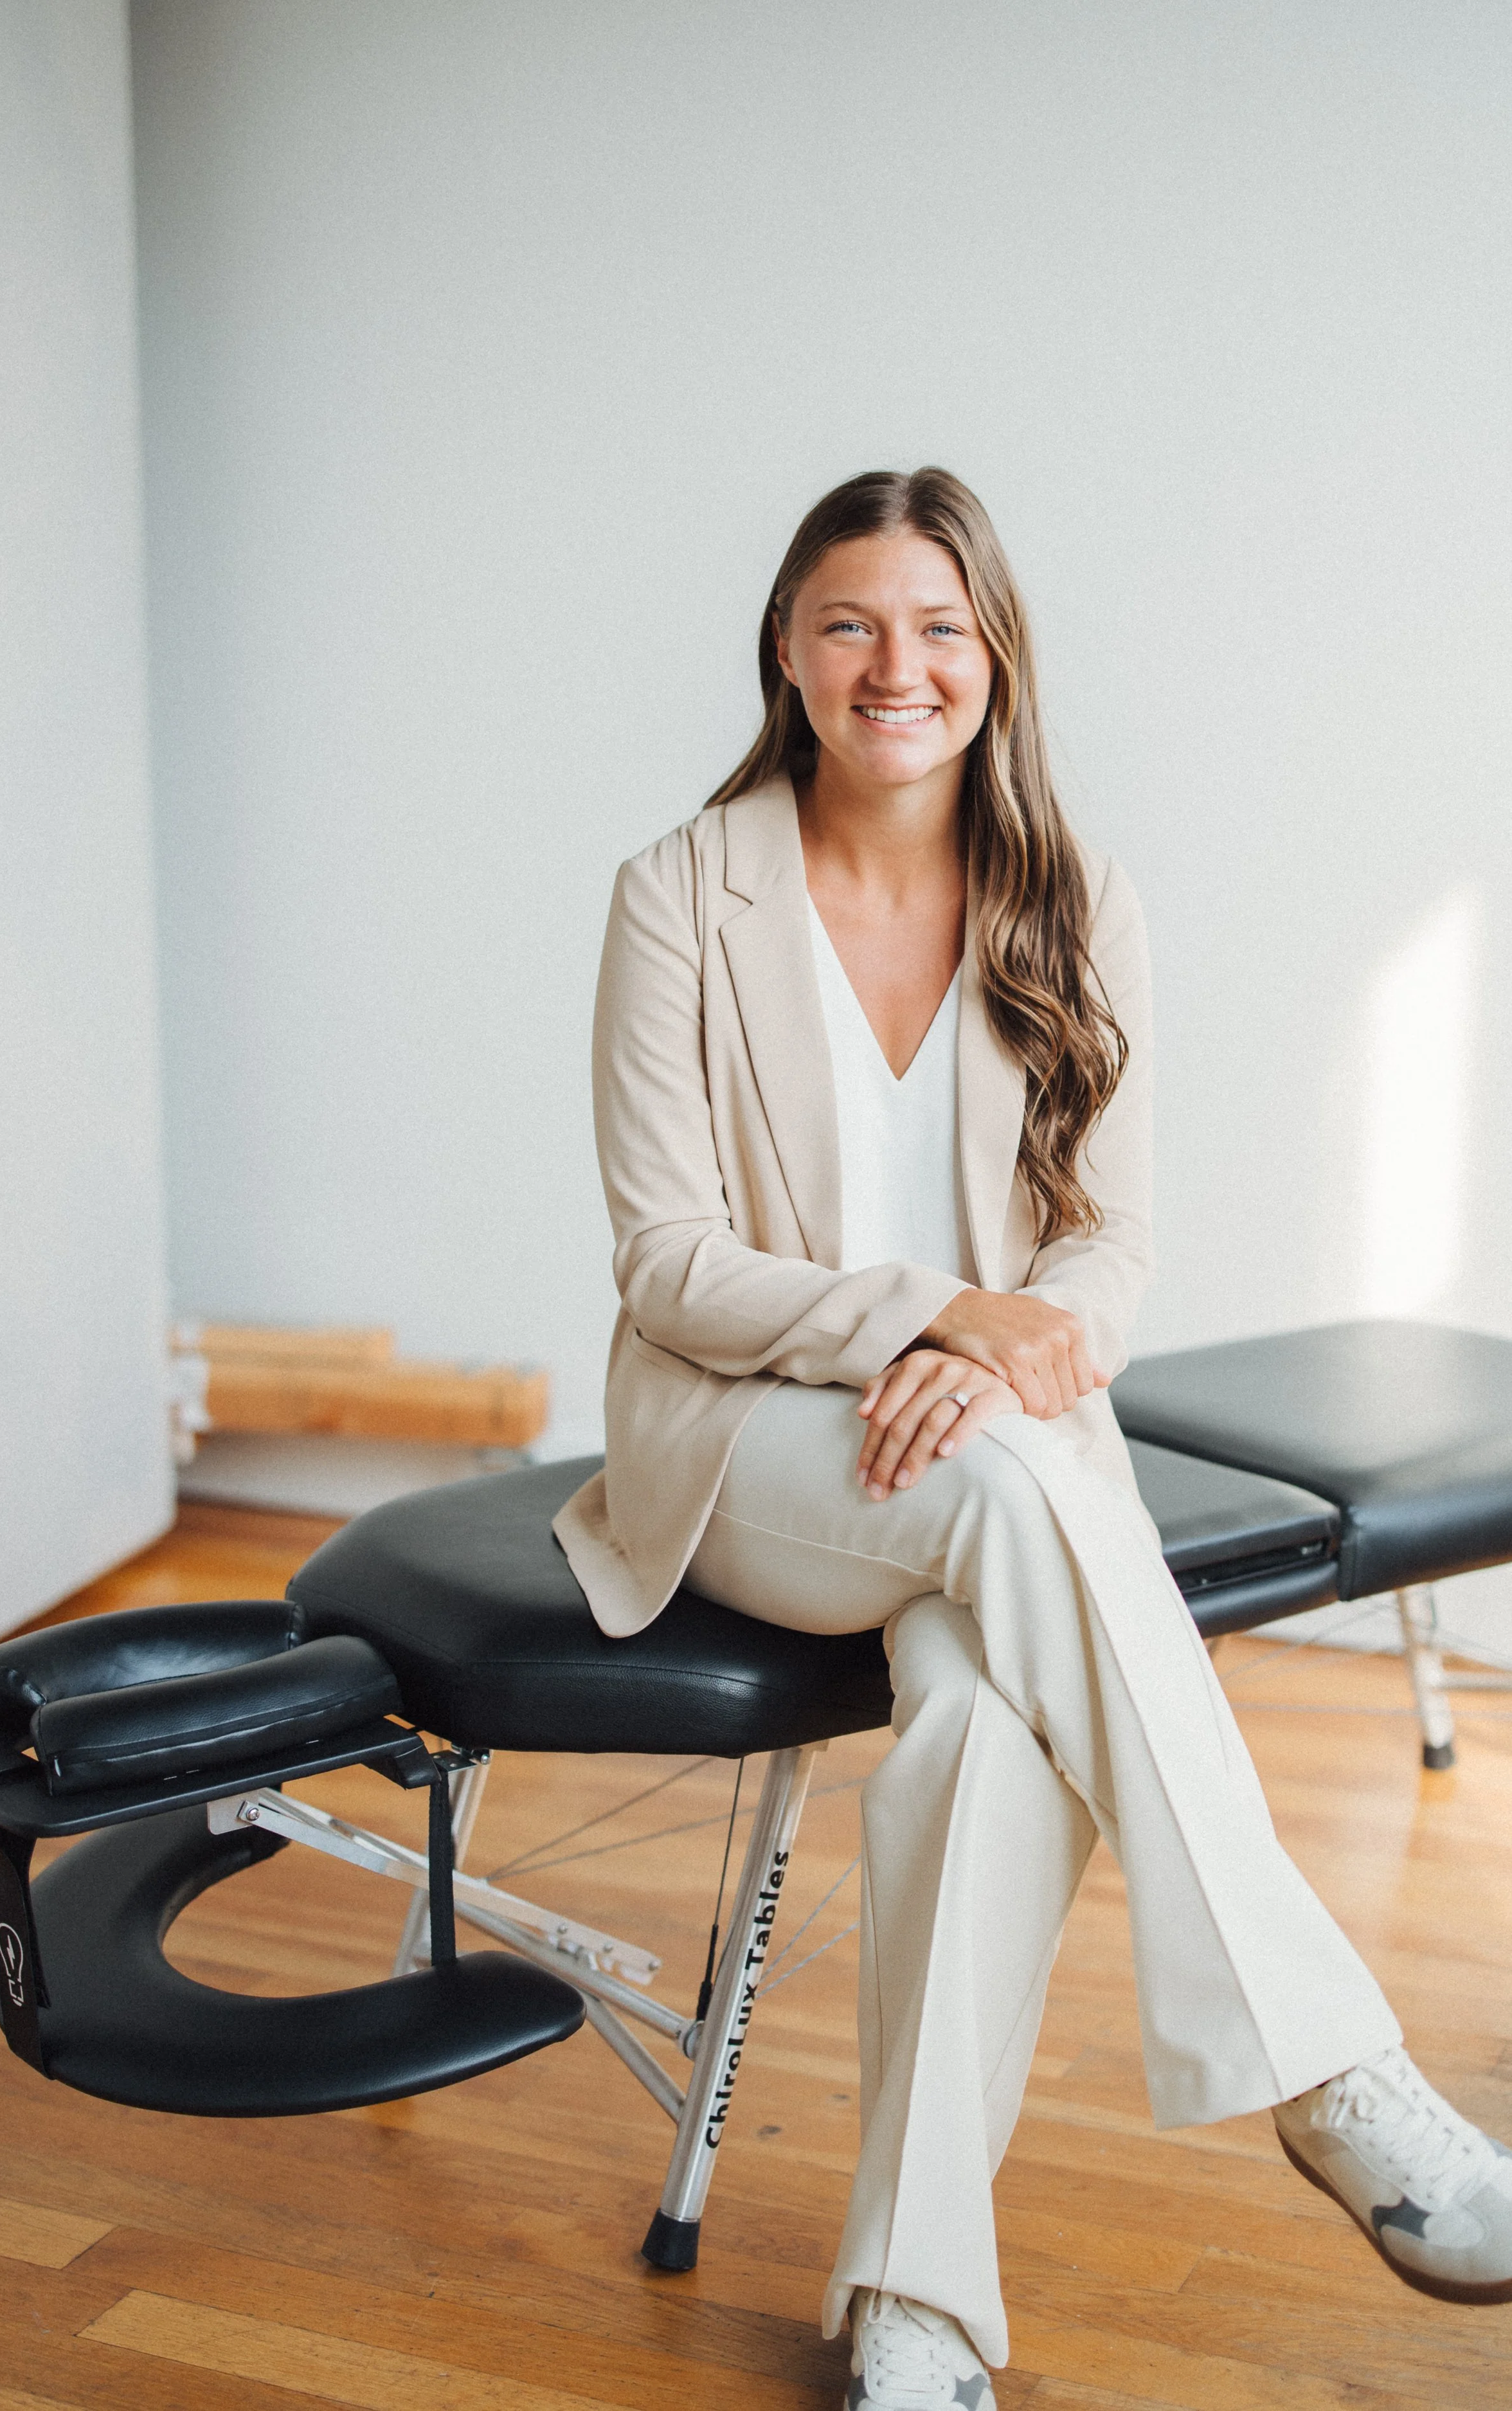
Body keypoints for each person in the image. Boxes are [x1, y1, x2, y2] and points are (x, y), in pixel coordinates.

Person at [553, 468, 1512, 2408]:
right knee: (1009, 1502)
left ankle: (912, 2307)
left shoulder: (1072, 896)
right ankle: (1335, 2069)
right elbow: (667, 1261)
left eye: (937, 625)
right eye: (849, 622)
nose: (893, 665)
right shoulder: (680, 892)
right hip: (745, 1443)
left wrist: (1008, 1353)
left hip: (988, 1448)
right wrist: (925, 1316)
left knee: (985, 1726)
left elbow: (1107, 1239)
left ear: (992, 656)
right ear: (784, 649)